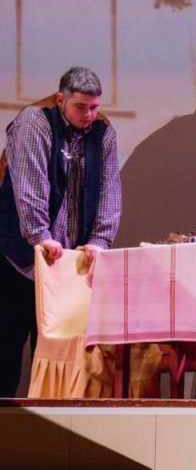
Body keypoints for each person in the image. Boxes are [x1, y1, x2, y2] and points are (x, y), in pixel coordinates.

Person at [0, 67, 122, 396]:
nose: (89, 115)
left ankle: (56, 419)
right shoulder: (35, 122)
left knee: (62, 354)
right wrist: (40, 236)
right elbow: (29, 186)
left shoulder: (103, 132)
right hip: (18, 258)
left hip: (66, 266)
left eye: (94, 107)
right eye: (80, 107)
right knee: (6, 348)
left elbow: (110, 192)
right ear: (60, 100)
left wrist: (99, 240)